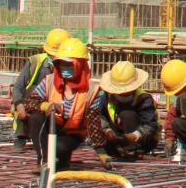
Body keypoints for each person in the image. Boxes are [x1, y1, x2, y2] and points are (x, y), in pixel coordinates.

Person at [22, 37, 99, 171]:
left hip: (72, 134)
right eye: (61, 64)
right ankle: (44, 162)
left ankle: (63, 159)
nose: (64, 68)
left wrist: (102, 151)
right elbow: (29, 102)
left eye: (69, 64)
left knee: (58, 147)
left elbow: (94, 122)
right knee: (36, 117)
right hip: (52, 128)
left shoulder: (91, 90)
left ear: (80, 65)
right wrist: (45, 106)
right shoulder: (50, 82)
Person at [9, 28, 69, 150]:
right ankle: (21, 136)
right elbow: (18, 88)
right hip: (37, 103)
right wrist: (19, 106)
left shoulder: (71, 67)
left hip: (60, 106)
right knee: (31, 90)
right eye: (52, 54)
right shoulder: (35, 63)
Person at [91, 60, 158, 164]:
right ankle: (112, 150)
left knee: (127, 114)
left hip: (142, 141)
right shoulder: (107, 96)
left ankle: (132, 150)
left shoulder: (143, 98)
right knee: (93, 119)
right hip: (116, 137)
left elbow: (150, 126)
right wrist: (107, 130)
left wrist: (133, 136)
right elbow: (98, 115)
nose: (123, 93)